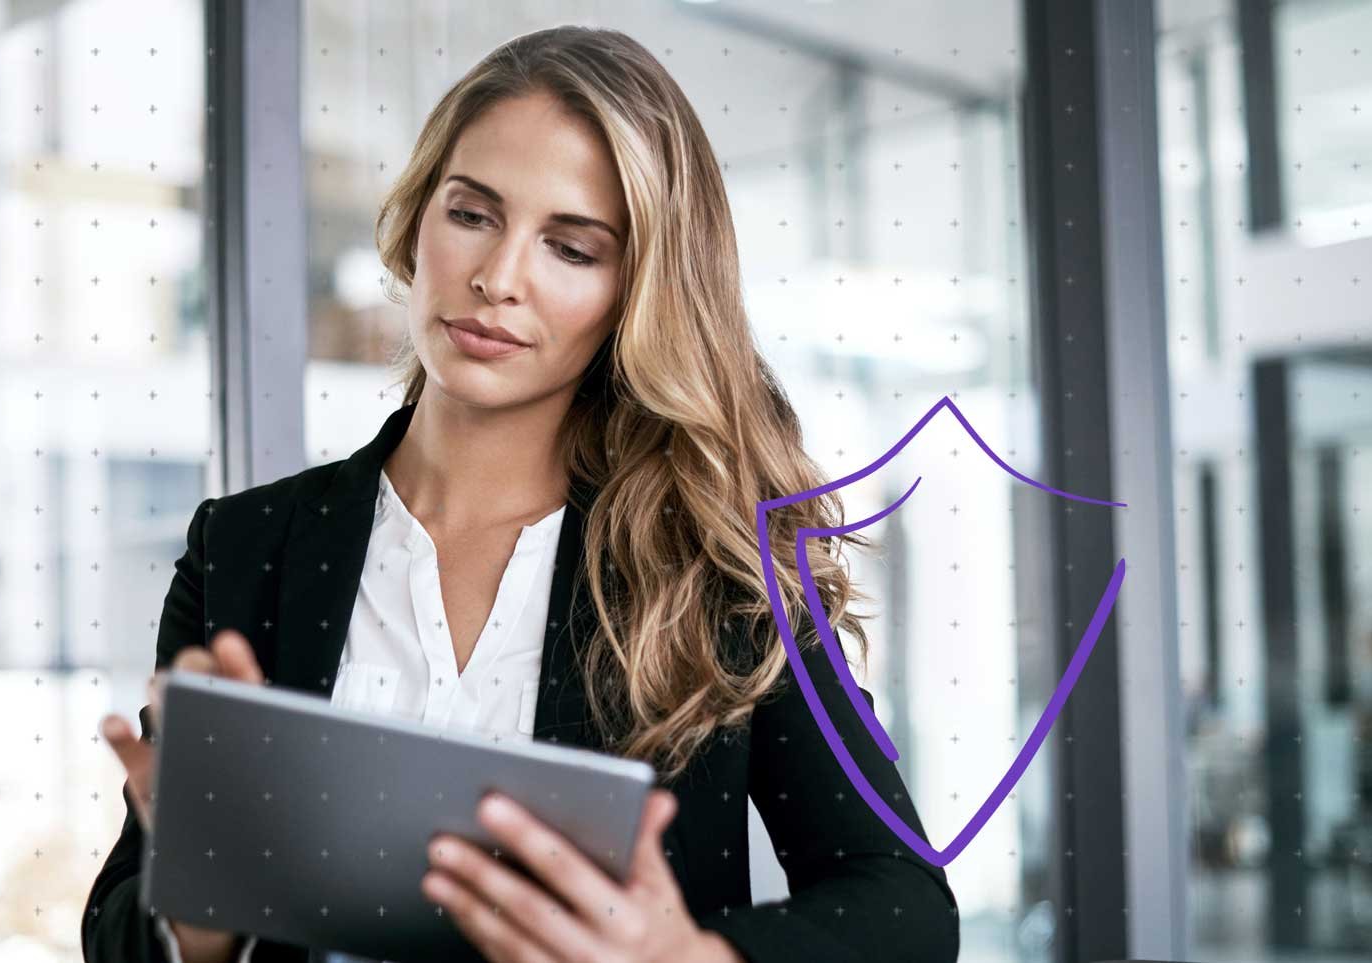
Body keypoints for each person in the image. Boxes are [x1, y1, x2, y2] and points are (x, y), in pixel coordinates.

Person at [82, 24, 960, 963]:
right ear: (417, 220)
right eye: (472, 214)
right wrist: (203, 908)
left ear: (639, 291)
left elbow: (904, 906)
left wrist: (684, 959)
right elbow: (124, 923)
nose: (497, 278)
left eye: (571, 249)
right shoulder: (248, 542)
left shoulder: (718, 564)